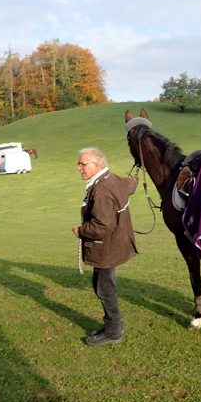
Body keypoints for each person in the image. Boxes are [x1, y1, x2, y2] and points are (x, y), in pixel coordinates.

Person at [72, 147, 138, 346]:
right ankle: (113, 326)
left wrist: (81, 231)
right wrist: (134, 180)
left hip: (107, 248)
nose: (79, 168)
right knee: (101, 285)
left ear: (96, 165)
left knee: (105, 288)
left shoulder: (101, 189)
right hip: (115, 245)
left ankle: (114, 332)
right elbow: (130, 185)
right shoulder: (113, 179)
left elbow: (102, 225)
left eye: (82, 164)